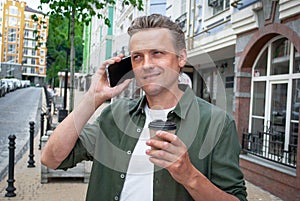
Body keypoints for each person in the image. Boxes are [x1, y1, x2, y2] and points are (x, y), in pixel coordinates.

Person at [41, 14, 247, 201]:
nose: (146, 64)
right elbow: (51, 158)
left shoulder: (217, 123)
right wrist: (92, 98)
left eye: (157, 53)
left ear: (181, 58)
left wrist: (189, 175)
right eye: (137, 57)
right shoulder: (115, 115)